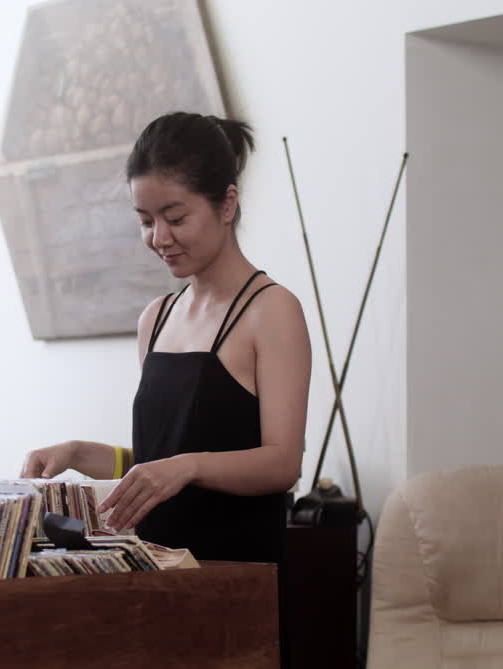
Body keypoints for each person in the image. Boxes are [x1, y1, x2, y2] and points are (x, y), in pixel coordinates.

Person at [21, 112, 312, 563]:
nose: (159, 238)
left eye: (175, 217)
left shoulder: (271, 311)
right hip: (156, 572)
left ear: (227, 204)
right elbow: (157, 463)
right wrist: (79, 453)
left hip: (236, 575)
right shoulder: (156, 319)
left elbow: (282, 463)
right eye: (145, 220)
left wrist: (188, 466)